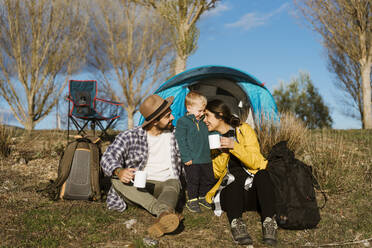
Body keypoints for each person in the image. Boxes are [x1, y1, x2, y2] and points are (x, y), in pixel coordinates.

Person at [100, 94, 183, 238]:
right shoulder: (129, 136)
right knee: (115, 179)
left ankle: (162, 215)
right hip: (139, 188)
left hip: (165, 185)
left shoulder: (176, 134)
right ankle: (163, 212)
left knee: (174, 182)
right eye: (168, 116)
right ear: (155, 121)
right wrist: (119, 171)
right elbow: (108, 157)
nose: (172, 118)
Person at [203, 99, 278, 246]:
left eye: (207, 116)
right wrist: (223, 152)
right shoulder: (212, 139)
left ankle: (269, 222)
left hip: (250, 190)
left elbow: (256, 162)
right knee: (232, 180)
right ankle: (236, 223)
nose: (204, 120)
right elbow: (217, 174)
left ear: (219, 115)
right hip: (231, 194)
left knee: (263, 174)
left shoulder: (244, 130)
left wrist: (234, 146)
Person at [175, 91, 215, 213]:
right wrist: (186, 157)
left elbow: (211, 132)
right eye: (199, 111)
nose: (202, 113)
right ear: (189, 108)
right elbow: (181, 140)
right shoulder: (183, 122)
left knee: (208, 178)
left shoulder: (204, 121)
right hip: (192, 159)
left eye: (203, 110)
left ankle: (203, 197)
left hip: (205, 157)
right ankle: (192, 200)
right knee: (194, 179)